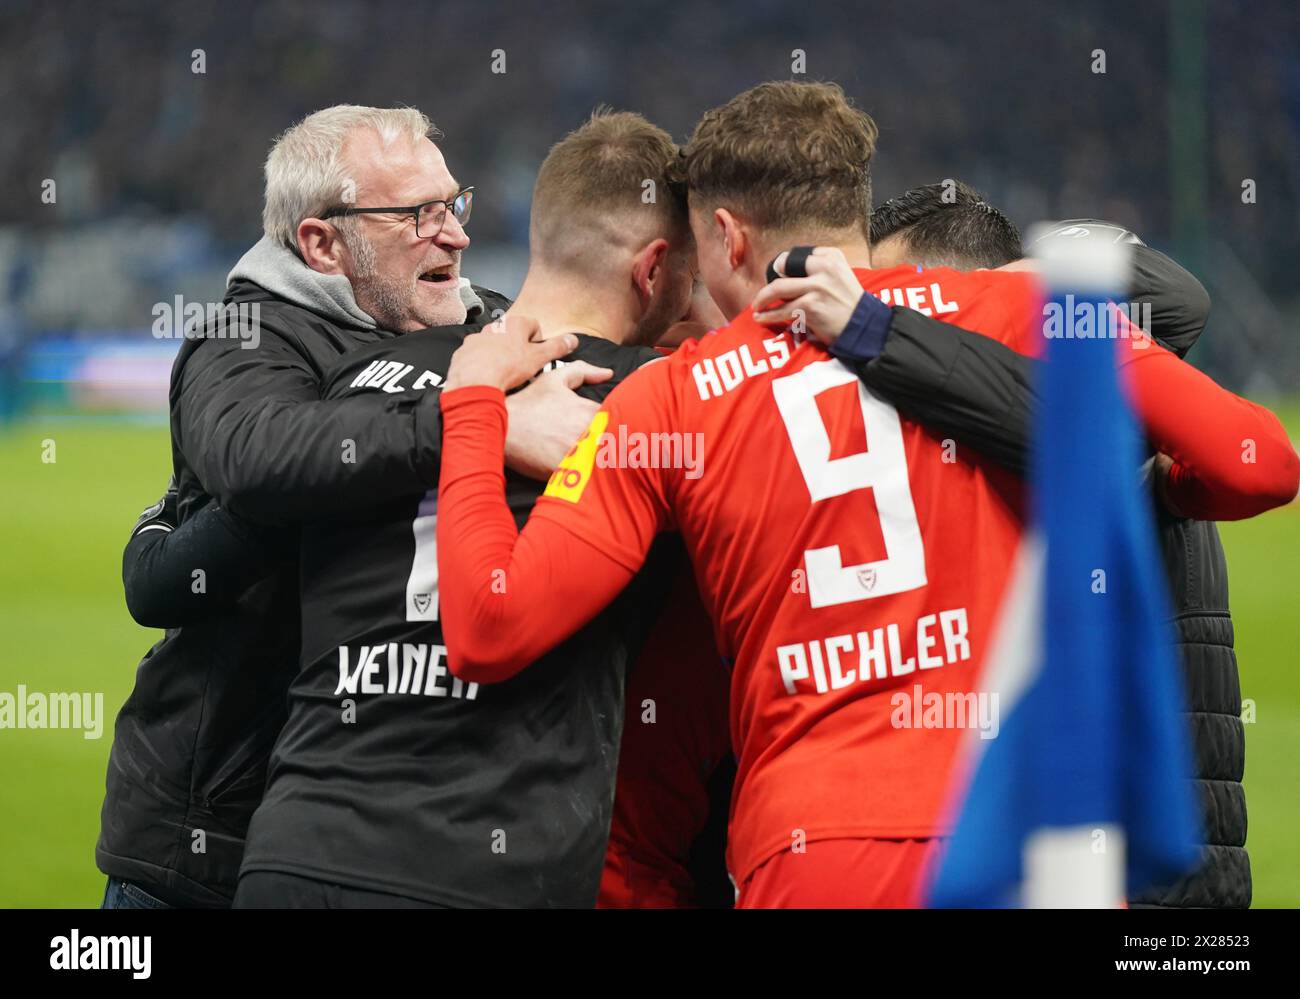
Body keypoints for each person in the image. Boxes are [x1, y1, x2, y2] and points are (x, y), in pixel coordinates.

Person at [430, 81, 1299, 907]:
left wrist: (471, 406)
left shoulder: (669, 396)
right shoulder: (1011, 308)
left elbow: (491, 626)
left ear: (729, 239)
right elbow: (1259, 461)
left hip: (819, 848)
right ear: (854, 207)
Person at [98, 104, 595, 909]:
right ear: (323, 243)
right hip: (208, 848)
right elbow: (261, 457)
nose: (456, 236)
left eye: (453, 204)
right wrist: (475, 418)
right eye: (417, 215)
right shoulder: (243, 332)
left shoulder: (492, 324)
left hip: (393, 839)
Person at [859, 184, 1254, 907]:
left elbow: (1181, 298)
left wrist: (1010, 286)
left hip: (1157, 854)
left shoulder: (1091, 374)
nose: (886, 313)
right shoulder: (965, 411)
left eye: (897, 290)